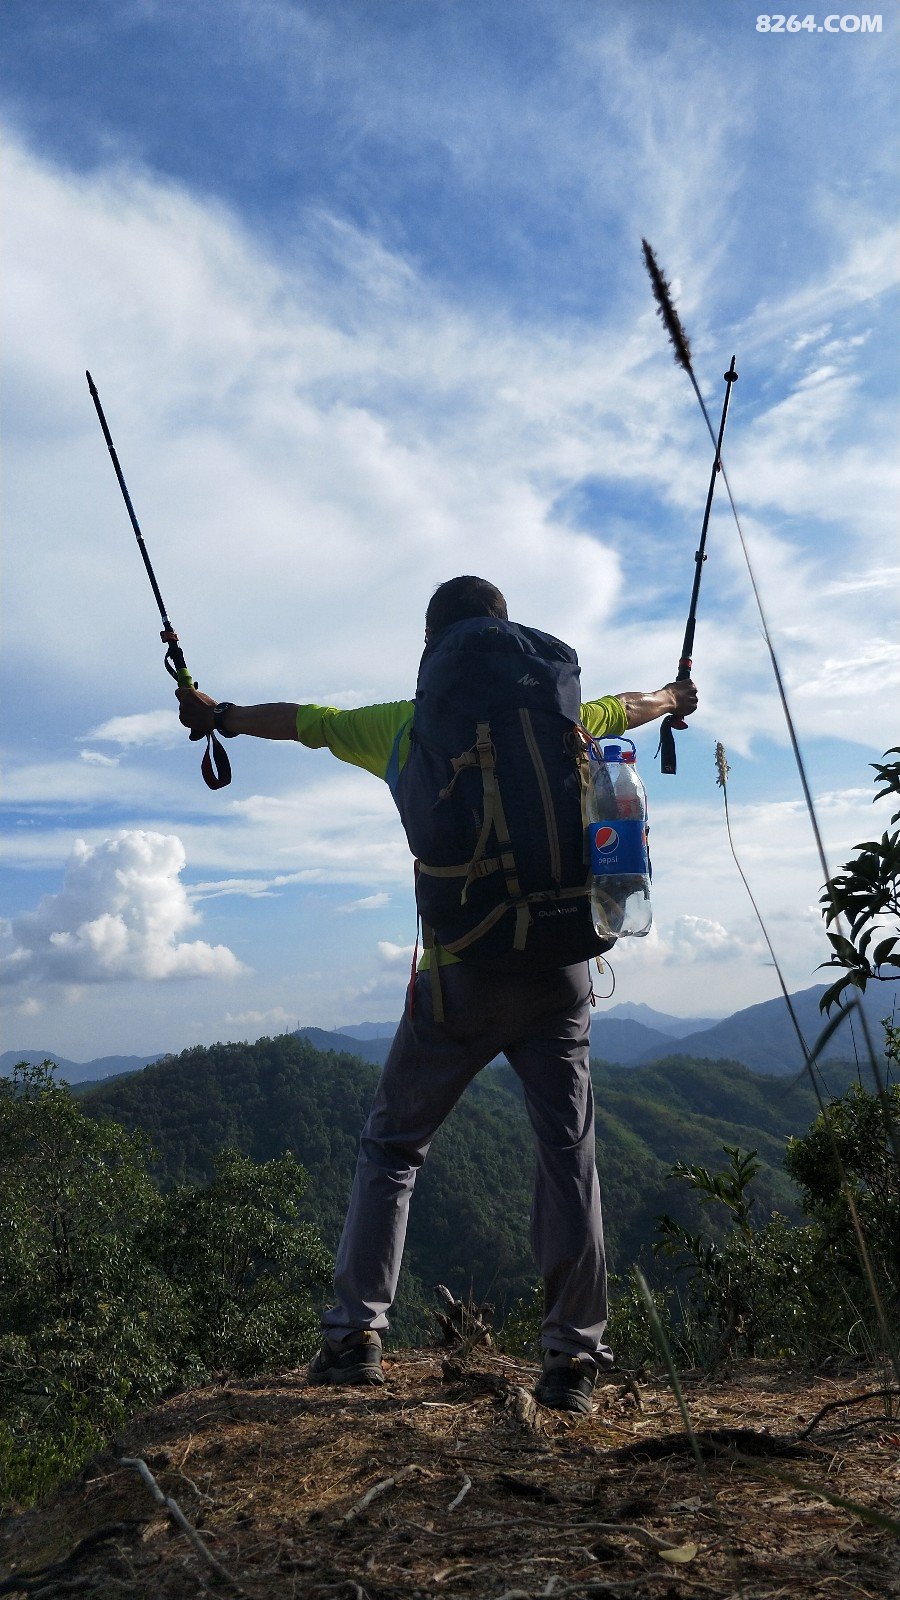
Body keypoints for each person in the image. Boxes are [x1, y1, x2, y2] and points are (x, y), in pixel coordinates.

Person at [178, 575, 697, 1412]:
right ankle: (572, 1361)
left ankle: (354, 1339)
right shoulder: (564, 717)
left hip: (459, 975)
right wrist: (675, 695)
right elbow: (628, 705)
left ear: (435, 649)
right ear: (506, 634)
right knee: (568, 1153)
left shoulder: (407, 726)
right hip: (562, 967)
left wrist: (221, 715)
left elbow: (303, 723)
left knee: (393, 1146)